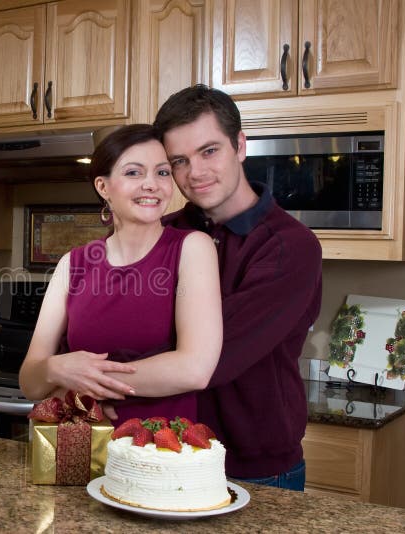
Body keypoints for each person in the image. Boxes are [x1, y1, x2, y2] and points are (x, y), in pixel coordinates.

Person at [151, 84, 323, 491]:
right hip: (164, 455)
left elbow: (212, 357)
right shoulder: (163, 234)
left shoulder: (290, 246)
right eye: (179, 160)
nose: (195, 173)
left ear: (240, 146)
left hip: (256, 468)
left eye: (209, 151)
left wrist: (101, 374)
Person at [19, 124, 222, 424]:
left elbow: (195, 369)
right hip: (79, 455)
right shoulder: (72, 264)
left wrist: (83, 382)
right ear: (103, 187)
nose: (152, 184)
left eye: (162, 172)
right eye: (134, 172)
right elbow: (31, 381)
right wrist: (55, 369)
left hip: (157, 454)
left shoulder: (192, 248)